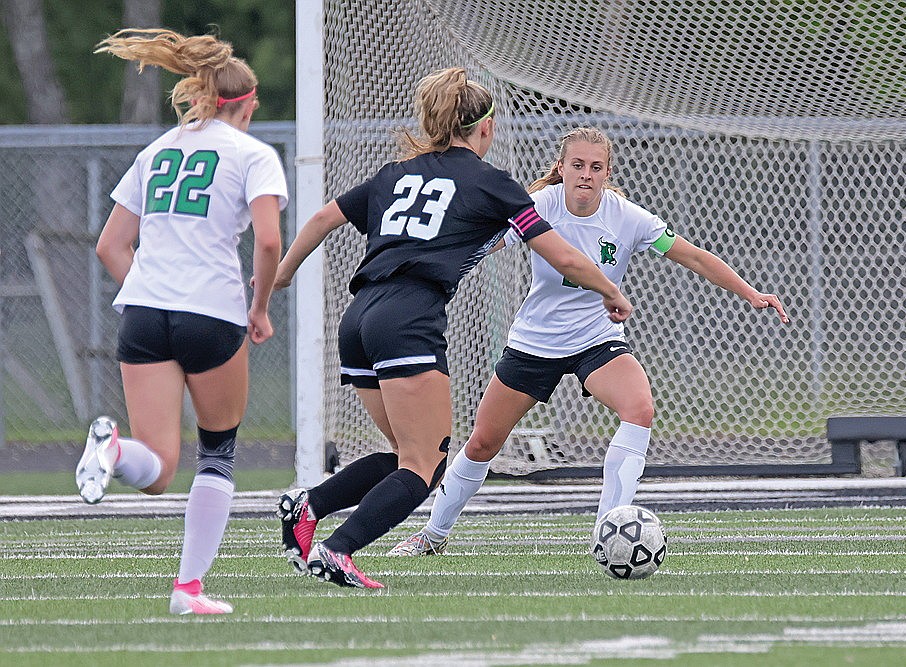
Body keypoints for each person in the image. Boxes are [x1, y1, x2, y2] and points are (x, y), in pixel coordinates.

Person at [273, 69, 633, 589]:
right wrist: (612, 291)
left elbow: (322, 221)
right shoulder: (492, 183)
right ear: (483, 129)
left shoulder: (394, 173)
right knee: (424, 468)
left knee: (406, 454)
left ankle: (309, 505)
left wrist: (282, 276)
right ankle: (338, 549)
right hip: (408, 318)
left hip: (359, 318)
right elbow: (565, 257)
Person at [388, 126, 789, 556]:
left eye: (595, 167)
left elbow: (691, 255)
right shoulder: (539, 205)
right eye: (577, 165)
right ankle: (431, 536)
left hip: (597, 338)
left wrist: (750, 292)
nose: (585, 175)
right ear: (561, 168)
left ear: (607, 172)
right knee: (484, 442)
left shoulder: (627, 217)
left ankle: (610, 534)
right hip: (535, 342)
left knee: (639, 409)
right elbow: (486, 242)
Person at [75, 29, 286, 614]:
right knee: (215, 452)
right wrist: (261, 306)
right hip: (212, 311)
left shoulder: (158, 149)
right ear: (244, 103)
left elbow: (112, 246)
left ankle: (113, 452)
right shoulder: (252, 155)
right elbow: (268, 240)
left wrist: (149, 290)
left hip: (145, 312)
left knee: (159, 464)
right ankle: (187, 590)